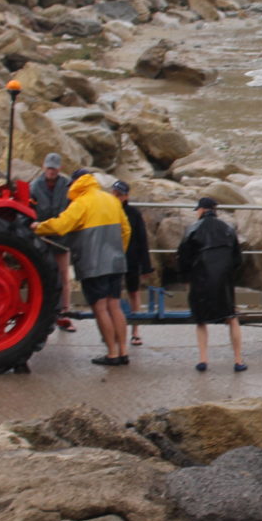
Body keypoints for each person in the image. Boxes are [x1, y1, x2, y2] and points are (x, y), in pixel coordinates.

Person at [33, 170, 130, 367]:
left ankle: (111, 353)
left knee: (100, 307)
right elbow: (126, 229)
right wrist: (120, 252)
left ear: (76, 184)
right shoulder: (111, 199)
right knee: (115, 305)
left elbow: (61, 226)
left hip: (93, 264)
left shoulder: (82, 203)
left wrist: (38, 227)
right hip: (116, 262)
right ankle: (123, 351)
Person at [177, 196, 245, 372]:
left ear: (201, 210)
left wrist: (186, 278)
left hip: (200, 279)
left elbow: (183, 258)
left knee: (201, 320)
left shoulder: (192, 229)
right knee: (231, 318)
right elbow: (237, 258)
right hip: (223, 281)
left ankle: (203, 360)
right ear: (214, 211)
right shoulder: (228, 228)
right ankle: (238, 360)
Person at [29, 153, 74, 330]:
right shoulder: (34, 186)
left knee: (64, 276)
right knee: (41, 276)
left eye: (54, 168)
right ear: (43, 167)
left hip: (61, 238)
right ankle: (42, 315)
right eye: (49, 168)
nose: (51, 171)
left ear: (60, 169)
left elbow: (72, 209)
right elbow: (30, 209)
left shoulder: (67, 186)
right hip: (41, 237)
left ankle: (65, 313)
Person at [111, 180, 154, 347]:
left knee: (133, 293)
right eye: (114, 193)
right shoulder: (108, 211)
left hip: (131, 258)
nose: (116, 197)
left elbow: (143, 240)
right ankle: (116, 329)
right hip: (113, 257)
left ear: (126, 196)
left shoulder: (134, 214)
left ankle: (135, 331)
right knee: (114, 295)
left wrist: (146, 265)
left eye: (119, 194)